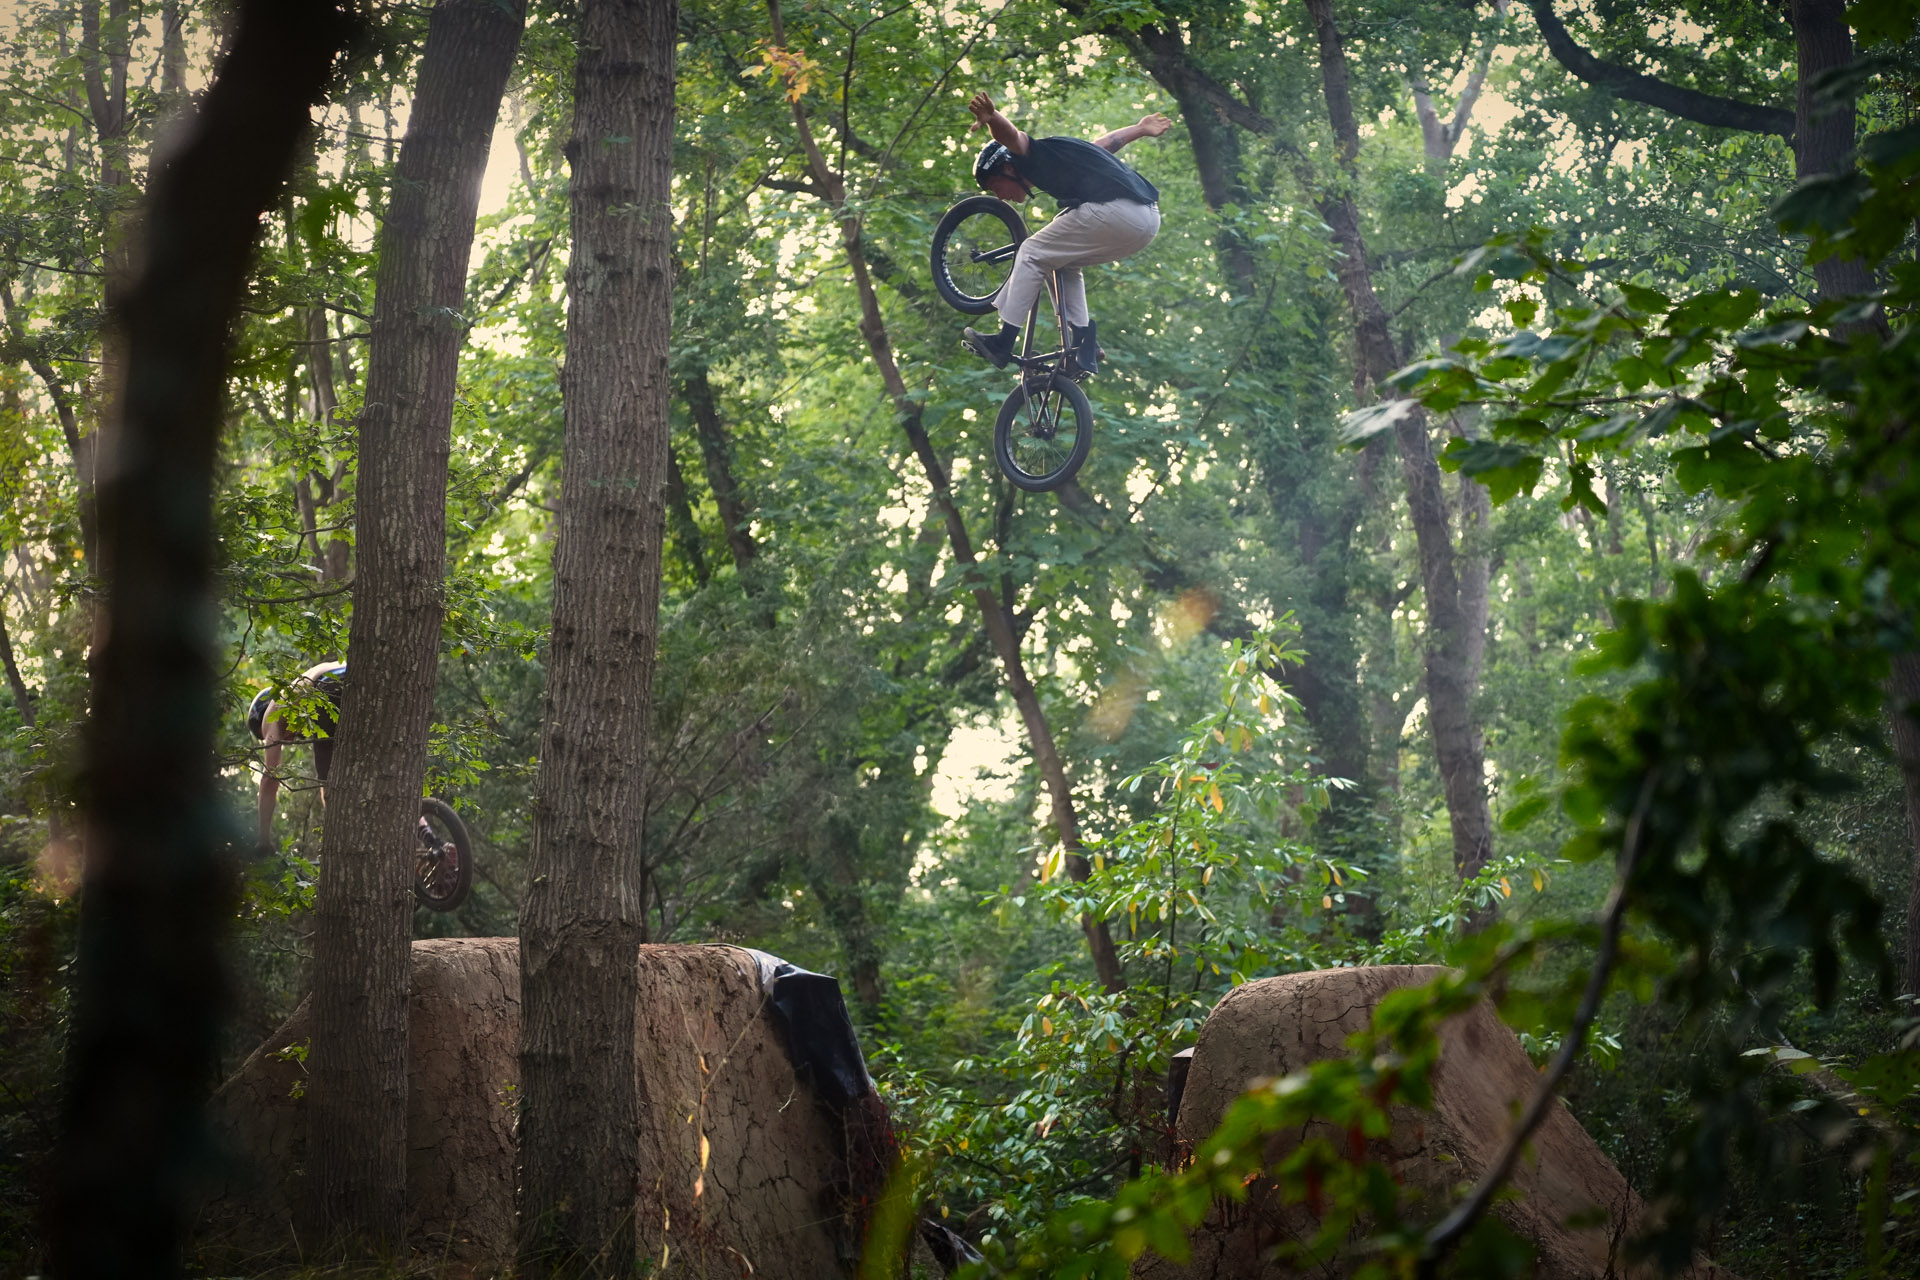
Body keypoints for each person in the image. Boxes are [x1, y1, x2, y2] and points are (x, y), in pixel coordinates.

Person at [961, 91, 1170, 378]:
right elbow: (1105, 145)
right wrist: (1140, 128)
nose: (1000, 198)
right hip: (1145, 221)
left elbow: (1013, 138)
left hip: (1119, 212)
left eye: (996, 187)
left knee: (1032, 251)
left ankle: (1003, 341)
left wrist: (993, 118)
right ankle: (1085, 343)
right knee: (1059, 259)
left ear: (1009, 168)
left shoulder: (1032, 157)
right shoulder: (1063, 158)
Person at [247, 659, 345, 845]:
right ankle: (419, 826)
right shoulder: (297, 693)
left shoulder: (272, 709)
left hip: (329, 687)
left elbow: (271, 777)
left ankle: (340, 838)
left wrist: (263, 838)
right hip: (354, 673)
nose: (285, 740)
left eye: (280, 736)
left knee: (328, 781)